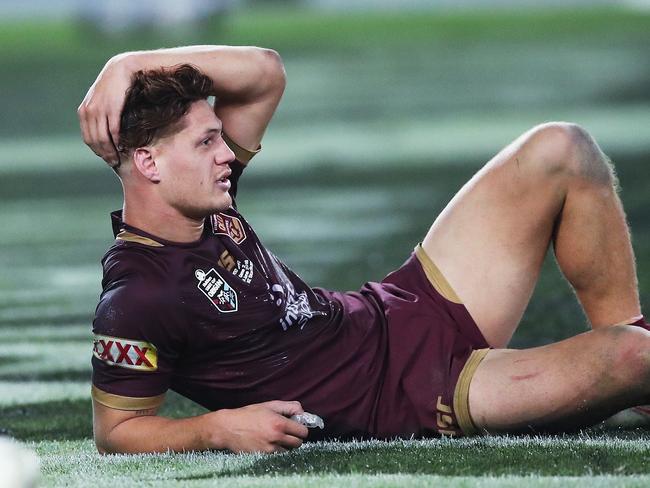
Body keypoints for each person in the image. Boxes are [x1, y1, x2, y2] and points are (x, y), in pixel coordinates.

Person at [78, 45, 650, 455]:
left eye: (221, 138)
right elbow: (119, 431)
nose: (226, 153)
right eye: (207, 142)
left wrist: (128, 64)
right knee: (635, 358)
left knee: (561, 147)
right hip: (413, 397)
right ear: (149, 164)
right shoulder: (140, 295)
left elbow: (265, 73)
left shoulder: (205, 199)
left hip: (401, 308)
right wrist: (218, 428)